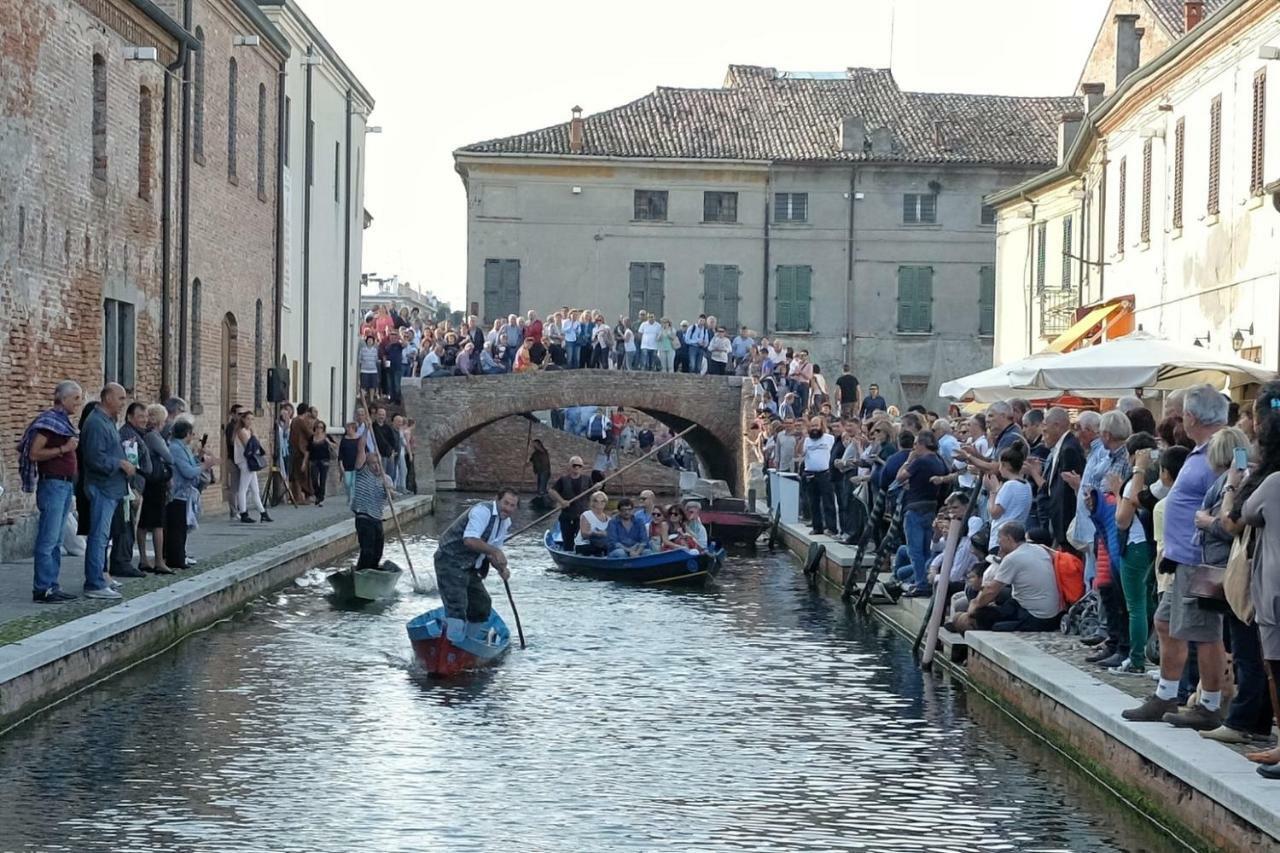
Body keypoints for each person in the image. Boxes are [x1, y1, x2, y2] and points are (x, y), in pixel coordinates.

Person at [1123, 384, 1231, 726]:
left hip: (1200, 559)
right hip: (1181, 558)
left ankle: (1211, 704)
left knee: (1205, 633)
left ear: (1192, 416)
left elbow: (1227, 497)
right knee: (1165, 622)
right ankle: (1166, 695)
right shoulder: (1200, 451)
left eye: (1181, 412)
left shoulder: (1218, 452)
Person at [21, 381, 84, 602]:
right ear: (64, 398)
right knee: (48, 540)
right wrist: (63, 449)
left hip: (64, 485)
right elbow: (34, 453)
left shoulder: (62, 422)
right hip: (53, 485)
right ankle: (42, 588)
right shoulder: (49, 421)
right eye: (76, 398)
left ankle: (52, 585)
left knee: (57, 540)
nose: (79, 403)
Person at [432, 489, 519, 641]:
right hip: (449, 559)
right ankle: (453, 644)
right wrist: (495, 552)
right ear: (497, 500)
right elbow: (470, 540)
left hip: (469, 565)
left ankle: (468, 643)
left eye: (512, 506)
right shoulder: (482, 512)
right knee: (457, 605)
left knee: (482, 605)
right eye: (506, 503)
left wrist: (501, 569)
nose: (508, 508)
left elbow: (493, 553)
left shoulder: (505, 522)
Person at [952, 522, 1063, 633]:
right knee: (993, 609)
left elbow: (991, 590)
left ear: (1009, 538)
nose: (997, 542)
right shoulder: (1038, 549)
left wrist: (975, 605)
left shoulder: (1013, 558)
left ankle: (968, 624)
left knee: (993, 624)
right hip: (1033, 606)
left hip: (1037, 616)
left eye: (999, 538)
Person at [80, 384, 135, 600]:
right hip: (102, 487)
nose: (123, 403)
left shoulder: (107, 422)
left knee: (104, 537)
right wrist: (120, 464)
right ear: (108, 398)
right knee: (98, 537)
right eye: (120, 398)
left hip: (111, 488)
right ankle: (94, 582)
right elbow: (95, 459)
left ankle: (100, 579)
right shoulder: (95, 423)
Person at [897, 430, 949, 595]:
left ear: (921, 444)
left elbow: (900, 477)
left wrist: (908, 460)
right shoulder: (940, 461)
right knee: (927, 549)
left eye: (915, 444)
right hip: (931, 507)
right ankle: (924, 580)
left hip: (915, 508)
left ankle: (920, 585)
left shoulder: (920, 462)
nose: (913, 448)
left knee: (915, 551)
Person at [109, 402, 152, 579]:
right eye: (140, 416)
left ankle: (123, 561)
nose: (144, 420)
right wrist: (133, 489)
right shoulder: (128, 436)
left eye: (145, 416)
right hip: (130, 489)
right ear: (129, 417)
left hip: (134, 488)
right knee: (125, 526)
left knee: (128, 524)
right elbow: (130, 465)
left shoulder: (136, 434)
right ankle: (122, 563)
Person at [165, 419, 215, 571]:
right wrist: (204, 466)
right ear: (186, 433)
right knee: (177, 528)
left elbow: (190, 465)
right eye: (192, 434)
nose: (193, 437)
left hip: (184, 494)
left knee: (182, 527)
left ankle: (180, 556)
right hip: (177, 493)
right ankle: (175, 558)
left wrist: (198, 459)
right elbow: (187, 471)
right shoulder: (176, 448)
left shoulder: (183, 447)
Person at [138, 404, 174, 574]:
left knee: (144, 522)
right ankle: (159, 561)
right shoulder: (154, 436)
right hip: (155, 481)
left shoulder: (146, 434)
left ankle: (145, 559)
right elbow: (169, 457)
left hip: (148, 480)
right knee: (157, 523)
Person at [350, 433, 389, 570]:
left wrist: (390, 491)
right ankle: (362, 572)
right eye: (373, 463)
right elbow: (361, 448)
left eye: (378, 463)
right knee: (367, 551)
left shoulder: (386, 479)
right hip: (364, 517)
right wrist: (366, 428)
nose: (376, 467)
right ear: (367, 464)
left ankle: (372, 573)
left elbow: (392, 495)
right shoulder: (363, 473)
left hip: (377, 519)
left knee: (378, 552)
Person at [801, 417, 837, 536]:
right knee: (813, 502)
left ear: (822, 426)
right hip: (810, 473)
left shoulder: (829, 439)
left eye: (816, 425)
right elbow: (800, 453)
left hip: (825, 473)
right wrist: (802, 438)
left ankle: (831, 527)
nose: (814, 428)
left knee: (828, 502)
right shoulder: (807, 440)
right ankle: (817, 527)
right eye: (812, 426)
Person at [551, 455, 592, 550]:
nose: (577, 468)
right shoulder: (563, 480)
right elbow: (552, 491)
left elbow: (594, 493)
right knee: (568, 542)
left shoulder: (587, 479)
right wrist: (561, 501)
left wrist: (598, 487)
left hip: (582, 517)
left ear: (582, 467)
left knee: (582, 543)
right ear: (570, 466)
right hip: (567, 516)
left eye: (579, 466)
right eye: (574, 465)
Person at [289, 403, 315, 504]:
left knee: (297, 473)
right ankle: (300, 497)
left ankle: (298, 496)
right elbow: (309, 434)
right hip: (302, 450)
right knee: (302, 474)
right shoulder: (300, 421)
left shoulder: (294, 421)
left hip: (295, 449)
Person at [309, 420, 336, 508]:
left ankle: (321, 498)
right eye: (317, 427)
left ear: (323, 429)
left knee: (323, 480)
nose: (319, 429)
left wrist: (328, 442)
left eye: (321, 427)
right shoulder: (311, 437)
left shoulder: (327, 437)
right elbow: (308, 450)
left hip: (324, 461)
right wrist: (304, 462)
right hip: (314, 461)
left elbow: (335, 445)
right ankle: (318, 495)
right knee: (314, 479)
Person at [338, 422, 360, 497]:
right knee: (347, 483)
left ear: (354, 429)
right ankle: (349, 496)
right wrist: (341, 465)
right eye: (347, 428)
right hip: (346, 465)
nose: (347, 430)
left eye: (349, 428)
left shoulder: (358, 439)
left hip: (356, 464)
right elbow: (340, 453)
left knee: (354, 483)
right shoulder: (344, 440)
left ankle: (352, 499)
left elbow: (362, 451)